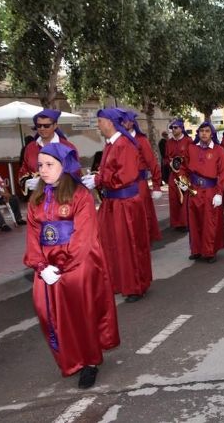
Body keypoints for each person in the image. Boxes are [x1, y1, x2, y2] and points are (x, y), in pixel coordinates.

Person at [24, 143, 119, 389]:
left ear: (63, 166)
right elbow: (33, 235)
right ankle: (70, 359)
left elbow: (84, 237)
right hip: (46, 269)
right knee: (49, 315)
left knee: (81, 315)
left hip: (77, 267)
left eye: (49, 165)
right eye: (40, 165)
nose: (42, 170)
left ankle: (89, 362)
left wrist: (62, 264)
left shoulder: (80, 196)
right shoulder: (37, 199)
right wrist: (40, 265)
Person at [81, 109, 152, 303]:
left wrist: (98, 179)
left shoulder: (125, 144)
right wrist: (98, 177)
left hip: (125, 203)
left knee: (129, 245)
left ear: (110, 122)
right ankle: (118, 282)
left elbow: (125, 176)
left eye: (100, 121)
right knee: (112, 244)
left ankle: (135, 286)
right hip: (113, 202)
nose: (98, 125)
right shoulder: (111, 144)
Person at [184, 122, 224, 263]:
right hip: (194, 189)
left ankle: (209, 252)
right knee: (194, 220)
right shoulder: (191, 148)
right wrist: (183, 183)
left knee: (210, 222)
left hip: (210, 190)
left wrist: (219, 192)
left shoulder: (219, 150)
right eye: (201, 130)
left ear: (212, 133)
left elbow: (223, 172)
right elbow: (183, 168)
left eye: (207, 131)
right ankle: (196, 250)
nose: (204, 133)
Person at [120, 109, 162, 242]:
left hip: (140, 185)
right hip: (124, 186)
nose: (123, 123)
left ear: (132, 123)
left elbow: (152, 163)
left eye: (126, 121)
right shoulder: (119, 140)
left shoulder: (141, 140)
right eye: (121, 121)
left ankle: (144, 242)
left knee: (143, 214)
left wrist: (156, 186)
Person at [19, 109, 77, 196]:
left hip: (62, 197)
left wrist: (47, 181)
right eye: (39, 125)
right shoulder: (30, 148)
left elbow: (75, 173)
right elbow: (23, 170)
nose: (42, 128)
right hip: (37, 197)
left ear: (55, 126)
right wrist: (28, 182)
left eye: (46, 125)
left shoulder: (67, 147)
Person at [164, 119, 192, 231]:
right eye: (172, 128)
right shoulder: (168, 142)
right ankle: (176, 222)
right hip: (172, 175)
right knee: (173, 198)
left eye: (175, 127)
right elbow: (165, 157)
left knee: (184, 198)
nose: (173, 130)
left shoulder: (188, 141)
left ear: (181, 128)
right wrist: (168, 162)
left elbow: (192, 158)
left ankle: (185, 223)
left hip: (184, 174)